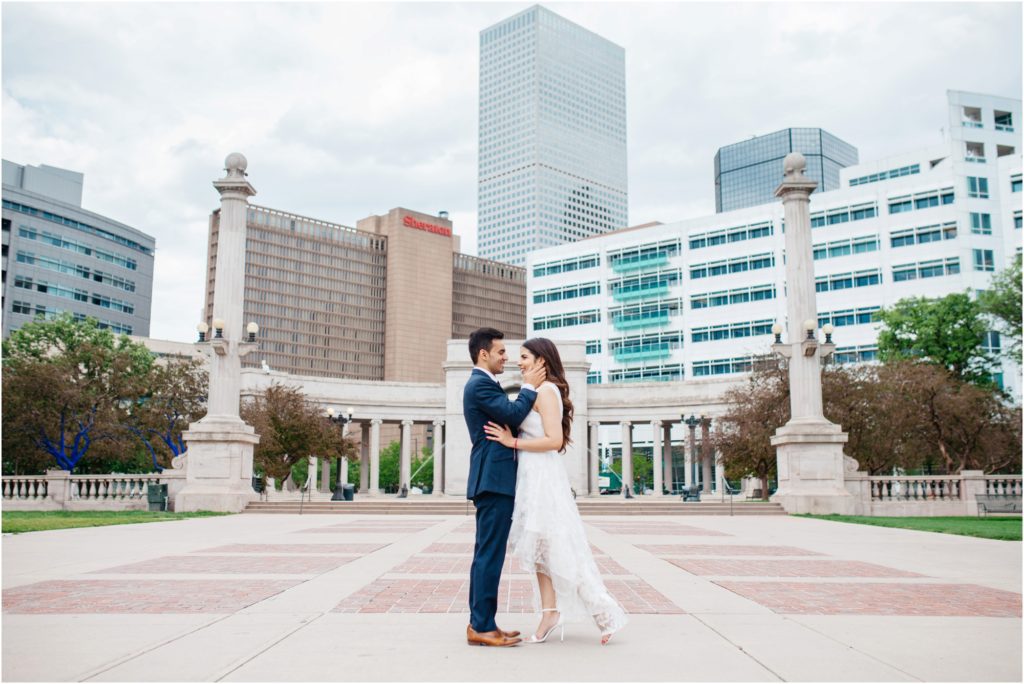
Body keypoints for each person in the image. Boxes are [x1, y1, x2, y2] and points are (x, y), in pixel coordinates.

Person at [484, 337, 628, 646]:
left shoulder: (547, 392)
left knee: (558, 548)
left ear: (541, 361)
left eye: (524, 357)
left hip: (542, 477)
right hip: (530, 476)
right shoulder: (535, 391)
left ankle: (603, 612)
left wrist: (513, 443)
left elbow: (554, 441)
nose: (518, 362)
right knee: (540, 550)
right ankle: (550, 612)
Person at [463, 327, 546, 647]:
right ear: (483, 354)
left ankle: (483, 623)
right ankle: (482, 626)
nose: (506, 357)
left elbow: (510, 418)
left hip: (495, 481)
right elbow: (512, 412)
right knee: (489, 555)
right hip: (493, 481)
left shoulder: (486, 385)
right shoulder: (479, 384)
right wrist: (529, 386)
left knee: (488, 554)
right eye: (501, 352)